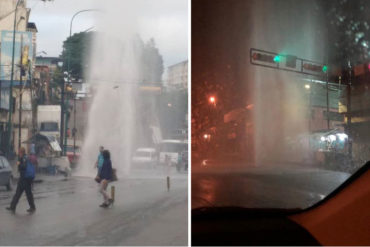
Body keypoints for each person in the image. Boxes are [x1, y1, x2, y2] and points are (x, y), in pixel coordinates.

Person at [6, 147, 36, 213]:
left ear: (21, 152)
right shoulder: (23, 157)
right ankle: (12, 207)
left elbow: (24, 166)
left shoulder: (24, 158)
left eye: (19, 151)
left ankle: (32, 207)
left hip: (25, 179)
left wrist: (19, 164)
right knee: (18, 193)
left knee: (28, 194)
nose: (18, 152)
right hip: (23, 179)